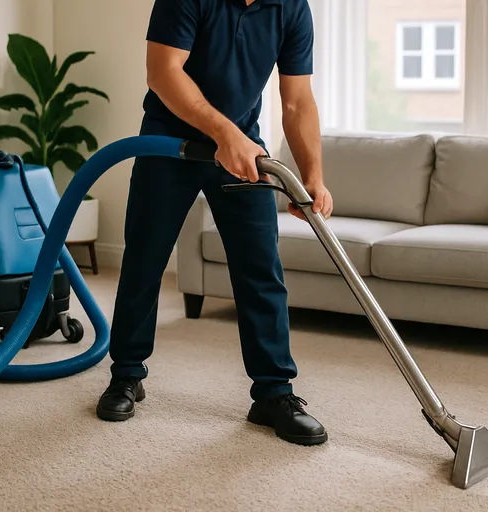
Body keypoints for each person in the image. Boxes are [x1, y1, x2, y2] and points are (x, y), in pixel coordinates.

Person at [95, 0, 334, 446]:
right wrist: (224, 134)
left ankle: (273, 393)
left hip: (243, 149)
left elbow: (297, 100)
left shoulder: (291, 8)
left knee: (261, 269)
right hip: (168, 144)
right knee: (145, 260)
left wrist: (313, 176)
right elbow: (163, 72)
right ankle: (126, 374)